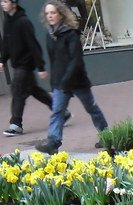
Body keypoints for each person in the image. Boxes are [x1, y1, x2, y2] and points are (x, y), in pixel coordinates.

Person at [35, 1, 108, 153]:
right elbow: (54, 61)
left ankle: (106, 136)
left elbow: (76, 60)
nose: (50, 16)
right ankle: (53, 142)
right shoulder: (50, 35)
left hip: (76, 80)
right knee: (57, 111)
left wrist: (65, 81)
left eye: (53, 12)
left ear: (61, 13)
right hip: (60, 82)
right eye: (47, 13)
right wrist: (55, 82)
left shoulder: (71, 33)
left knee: (92, 108)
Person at [0, 0, 66, 137]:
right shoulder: (8, 21)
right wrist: (2, 60)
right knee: (35, 91)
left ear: (14, 3)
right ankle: (62, 112)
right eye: (1, 1)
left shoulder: (23, 22)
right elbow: (6, 42)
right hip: (17, 64)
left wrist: (40, 67)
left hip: (25, 64)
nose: (2, 4)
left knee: (17, 91)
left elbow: (33, 45)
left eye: (5, 1)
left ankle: (16, 124)